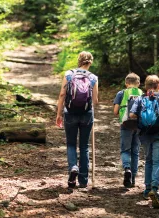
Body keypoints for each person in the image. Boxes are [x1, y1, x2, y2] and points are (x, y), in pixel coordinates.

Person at [56, 51, 98, 189]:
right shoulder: (93, 77)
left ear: (78, 61)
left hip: (70, 112)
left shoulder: (69, 74)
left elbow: (62, 94)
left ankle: (73, 168)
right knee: (84, 146)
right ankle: (84, 180)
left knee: (71, 144)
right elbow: (95, 100)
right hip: (86, 113)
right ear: (90, 62)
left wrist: (59, 114)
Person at [129, 75, 159, 209]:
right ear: (158, 85)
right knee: (158, 161)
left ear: (146, 86)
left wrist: (144, 116)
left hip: (145, 134)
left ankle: (147, 190)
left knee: (148, 160)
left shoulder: (141, 98)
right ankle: (155, 187)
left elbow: (131, 115)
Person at [113, 73, 143, 188]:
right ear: (138, 83)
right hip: (139, 125)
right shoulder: (142, 93)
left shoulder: (121, 93)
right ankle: (133, 179)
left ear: (126, 83)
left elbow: (115, 111)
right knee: (135, 151)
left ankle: (127, 169)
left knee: (125, 150)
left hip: (126, 124)